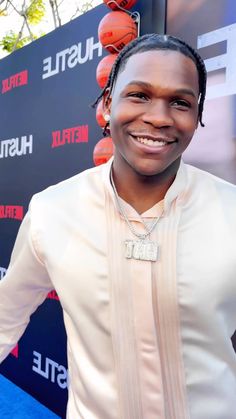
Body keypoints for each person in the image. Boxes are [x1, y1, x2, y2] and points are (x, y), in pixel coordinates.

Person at [0, 33, 236, 419]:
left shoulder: (231, 211)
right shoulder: (53, 211)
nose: (159, 117)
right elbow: (5, 316)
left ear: (198, 116)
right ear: (108, 104)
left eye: (180, 102)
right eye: (139, 95)